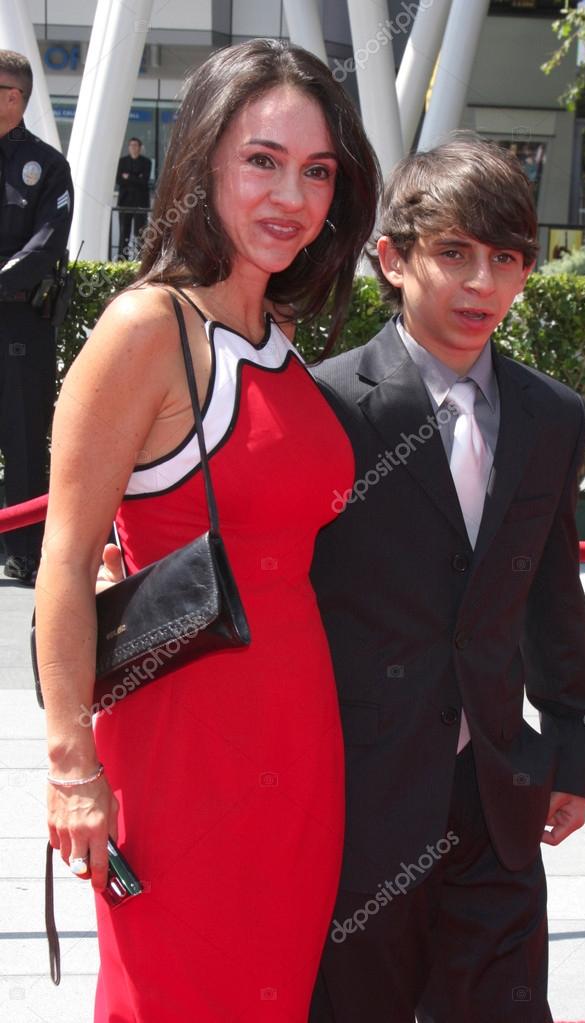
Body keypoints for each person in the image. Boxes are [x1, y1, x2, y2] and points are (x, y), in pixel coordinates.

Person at [35, 39, 379, 1022]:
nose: (292, 195)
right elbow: (62, 565)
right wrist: (71, 770)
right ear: (202, 164)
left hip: (298, 742)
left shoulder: (274, 337)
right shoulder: (147, 329)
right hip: (181, 748)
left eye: (317, 171)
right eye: (261, 160)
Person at [306, 138, 585, 1022]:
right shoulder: (327, 405)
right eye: (455, 253)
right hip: (361, 801)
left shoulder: (551, 415)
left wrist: (575, 747)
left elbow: (554, 594)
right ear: (393, 259)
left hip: (496, 798)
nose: (483, 283)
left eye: (506, 259)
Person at [0, 49, 73, 585]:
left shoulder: (47, 166)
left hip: (20, 325)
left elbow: (45, 247)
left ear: (14, 98)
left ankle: (23, 551)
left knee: (23, 440)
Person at [115, 137, 151, 259]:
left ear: (140, 148)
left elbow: (144, 181)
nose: (133, 148)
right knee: (124, 231)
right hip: (125, 202)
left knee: (140, 232)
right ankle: (121, 259)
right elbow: (119, 180)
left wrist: (128, 177)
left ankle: (140, 259)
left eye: (135, 145)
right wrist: (136, 177)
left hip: (140, 203)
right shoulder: (122, 161)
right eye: (131, 145)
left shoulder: (146, 162)